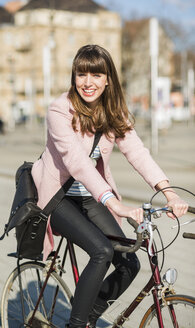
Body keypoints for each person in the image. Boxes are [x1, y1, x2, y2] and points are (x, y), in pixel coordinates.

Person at [31, 44, 188, 328]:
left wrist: (168, 191)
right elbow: (76, 162)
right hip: (59, 197)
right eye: (81, 74)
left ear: (107, 78)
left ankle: (86, 318)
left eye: (96, 74)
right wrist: (114, 203)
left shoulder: (114, 112)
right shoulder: (59, 110)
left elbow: (137, 152)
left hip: (91, 197)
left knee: (129, 263)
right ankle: (76, 325)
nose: (88, 82)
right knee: (102, 251)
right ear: (74, 76)